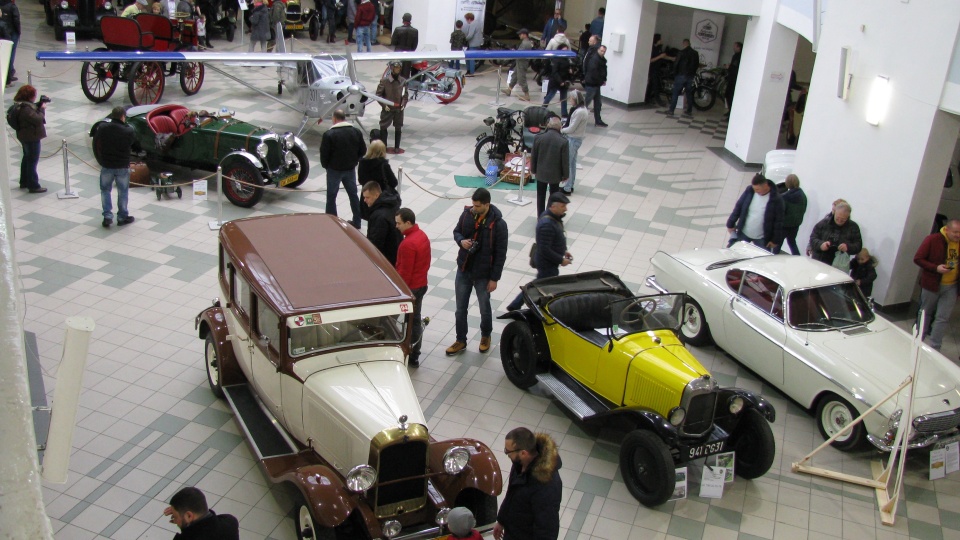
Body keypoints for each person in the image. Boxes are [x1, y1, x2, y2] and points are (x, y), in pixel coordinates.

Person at [447, 188, 508, 356]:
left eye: (477, 206)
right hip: (464, 269)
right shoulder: (467, 214)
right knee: (460, 309)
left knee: (484, 308)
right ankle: (461, 339)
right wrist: (461, 241)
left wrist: (494, 278)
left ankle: (485, 335)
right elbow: (456, 231)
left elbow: (500, 254)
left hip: (483, 274)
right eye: (472, 204)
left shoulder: (499, 224)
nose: (473, 208)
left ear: (487, 205)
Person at [506, 192, 571, 312]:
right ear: (553, 206)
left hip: (549, 261)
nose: (565, 209)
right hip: (546, 263)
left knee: (538, 284)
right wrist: (561, 260)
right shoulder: (546, 224)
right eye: (563, 206)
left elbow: (556, 238)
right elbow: (545, 249)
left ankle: (516, 305)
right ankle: (528, 307)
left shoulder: (554, 218)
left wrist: (564, 250)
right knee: (539, 285)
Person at [493, 427, 562, 540]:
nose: (506, 454)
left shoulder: (546, 485)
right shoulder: (518, 465)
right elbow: (511, 494)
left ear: (523, 453)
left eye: (507, 451)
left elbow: (547, 528)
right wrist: (501, 520)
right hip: (513, 532)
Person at [92, 106, 144, 227]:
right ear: (122, 116)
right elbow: (135, 144)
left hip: (107, 165)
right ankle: (122, 217)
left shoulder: (103, 128)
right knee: (122, 192)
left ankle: (107, 216)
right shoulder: (128, 131)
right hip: (122, 166)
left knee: (105, 190)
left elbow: (98, 139)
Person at [913, 219, 960, 351]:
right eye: (955, 232)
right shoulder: (933, 240)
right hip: (932, 284)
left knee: (942, 317)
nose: (958, 235)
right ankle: (917, 340)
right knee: (925, 313)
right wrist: (936, 268)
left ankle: (935, 347)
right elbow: (918, 258)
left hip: (951, 286)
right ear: (947, 230)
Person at [395, 207, 430, 367]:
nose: (397, 226)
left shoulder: (407, 244)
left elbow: (404, 273)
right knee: (415, 320)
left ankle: (404, 350)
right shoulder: (422, 236)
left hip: (410, 288)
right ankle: (415, 354)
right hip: (421, 283)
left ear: (408, 222)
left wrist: (399, 292)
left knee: (393, 319)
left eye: (399, 223)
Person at [320, 109, 366, 229]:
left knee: (331, 196)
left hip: (334, 170)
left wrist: (327, 166)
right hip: (350, 169)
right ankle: (357, 221)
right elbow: (363, 150)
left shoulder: (329, 134)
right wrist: (355, 161)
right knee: (353, 195)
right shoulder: (356, 131)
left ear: (334, 119)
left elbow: (324, 154)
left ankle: (332, 222)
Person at [725, 173, 784, 252]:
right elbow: (738, 207)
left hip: (762, 238)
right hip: (743, 233)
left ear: (765, 185)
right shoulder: (750, 191)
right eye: (754, 189)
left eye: (757, 189)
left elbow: (779, 221)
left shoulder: (777, 200)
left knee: (763, 259)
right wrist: (730, 223)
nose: (755, 191)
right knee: (732, 252)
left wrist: (775, 240)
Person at [163, 486, 239, 540]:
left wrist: (184, 526)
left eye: (175, 517)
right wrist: (181, 517)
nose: (175, 520)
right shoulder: (230, 523)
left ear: (189, 516)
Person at [11, 85, 48, 194]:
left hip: (24, 136)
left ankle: (24, 181)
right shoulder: (25, 109)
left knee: (27, 158)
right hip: (31, 137)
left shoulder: (20, 105)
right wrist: (42, 109)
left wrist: (38, 105)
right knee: (32, 160)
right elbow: (38, 119)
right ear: (29, 96)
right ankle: (33, 185)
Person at [531, 117, 569, 217]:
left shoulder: (538, 138)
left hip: (541, 172)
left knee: (540, 195)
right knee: (553, 196)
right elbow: (565, 161)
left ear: (548, 125)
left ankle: (540, 216)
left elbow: (534, 156)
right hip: (555, 174)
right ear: (560, 127)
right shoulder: (563, 141)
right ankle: (550, 215)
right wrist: (565, 175)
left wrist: (533, 170)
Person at [809, 200, 862, 265]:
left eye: (843, 220)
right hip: (820, 260)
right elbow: (813, 238)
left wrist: (848, 247)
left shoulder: (853, 227)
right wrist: (821, 245)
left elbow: (858, 245)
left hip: (839, 263)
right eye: (837, 218)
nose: (839, 221)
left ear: (848, 216)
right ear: (834, 213)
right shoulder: (823, 223)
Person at [362, 182, 403, 264]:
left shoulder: (379, 216)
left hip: (386, 258)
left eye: (367, 197)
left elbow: (376, 243)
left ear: (376, 195)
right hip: (395, 252)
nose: (365, 200)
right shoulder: (391, 205)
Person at [376, 61, 408, 154]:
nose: (397, 70)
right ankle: (384, 146)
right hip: (388, 109)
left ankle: (397, 147)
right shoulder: (384, 81)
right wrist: (384, 105)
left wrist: (403, 104)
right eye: (395, 68)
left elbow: (405, 95)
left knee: (398, 127)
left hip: (398, 109)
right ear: (391, 68)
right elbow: (378, 95)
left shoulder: (403, 81)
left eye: (398, 68)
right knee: (383, 126)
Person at [561, 90, 587, 194]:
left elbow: (572, 128)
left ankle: (567, 187)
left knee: (568, 163)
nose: (570, 101)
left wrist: (561, 130)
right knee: (572, 163)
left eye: (571, 99)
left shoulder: (579, 112)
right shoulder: (581, 109)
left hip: (573, 139)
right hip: (576, 138)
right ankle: (570, 185)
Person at [666, 39, 699, 116]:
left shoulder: (681, 52)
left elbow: (676, 64)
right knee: (689, 93)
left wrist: (674, 73)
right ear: (689, 44)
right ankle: (689, 110)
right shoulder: (695, 53)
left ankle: (671, 110)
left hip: (681, 75)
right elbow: (696, 65)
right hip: (690, 76)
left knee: (675, 92)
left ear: (683, 44)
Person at [542, 44, 572, 117]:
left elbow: (567, 69)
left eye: (566, 50)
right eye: (564, 50)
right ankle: (542, 109)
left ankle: (564, 113)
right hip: (556, 81)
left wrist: (570, 71)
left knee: (563, 98)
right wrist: (560, 81)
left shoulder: (567, 59)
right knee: (550, 96)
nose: (565, 52)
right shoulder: (556, 59)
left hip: (564, 81)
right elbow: (554, 72)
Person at [780, 173, 807, 255]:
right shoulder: (803, 196)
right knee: (792, 242)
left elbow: (781, 212)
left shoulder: (784, 197)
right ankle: (797, 259)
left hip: (784, 225)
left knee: (777, 244)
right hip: (795, 225)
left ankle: (773, 260)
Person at [502, 28, 532, 101]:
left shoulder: (525, 43)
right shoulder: (526, 42)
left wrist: (514, 52)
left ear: (524, 35)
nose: (519, 35)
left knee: (521, 78)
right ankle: (509, 90)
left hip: (522, 62)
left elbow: (520, 53)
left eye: (520, 34)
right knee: (514, 76)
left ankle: (526, 95)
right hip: (520, 62)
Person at [583, 43, 608, 127]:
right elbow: (594, 73)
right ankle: (578, 118)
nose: (602, 53)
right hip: (592, 84)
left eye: (604, 51)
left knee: (598, 104)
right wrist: (601, 80)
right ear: (598, 50)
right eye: (601, 51)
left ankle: (598, 120)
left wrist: (603, 80)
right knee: (585, 103)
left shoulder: (600, 59)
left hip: (596, 84)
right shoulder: (595, 59)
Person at [646, 34, 672, 106]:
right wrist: (659, 56)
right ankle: (659, 101)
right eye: (660, 39)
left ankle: (647, 99)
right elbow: (650, 60)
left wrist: (672, 58)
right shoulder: (652, 49)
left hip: (657, 69)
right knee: (656, 85)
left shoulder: (658, 48)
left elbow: (663, 56)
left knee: (651, 85)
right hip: (652, 69)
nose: (661, 41)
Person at [0, 0, 21, 86]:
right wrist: (18, 31)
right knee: (11, 53)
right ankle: (10, 72)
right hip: (12, 32)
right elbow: (16, 20)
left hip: (2, 32)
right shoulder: (12, 6)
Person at [391, 12, 418, 77]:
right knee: (406, 73)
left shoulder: (398, 29)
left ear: (403, 19)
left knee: (396, 71)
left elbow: (393, 42)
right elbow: (415, 45)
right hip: (408, 53)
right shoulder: (415, 31)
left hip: (398, 53)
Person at [725, 41, 742, 114]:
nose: (733, 47)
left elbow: (735, 67)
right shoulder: (735, 55)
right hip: (731, 78)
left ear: (738, 47)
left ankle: (731, 112)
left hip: (734, 79)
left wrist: (729, 67)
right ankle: (729, 111)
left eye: (735, 46)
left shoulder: (739, 56)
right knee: (727, 94)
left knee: (730, 95)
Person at [463, 12, 482, 77]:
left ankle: (471, 72)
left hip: (473, 44)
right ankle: (469, 71)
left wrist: (464, 39)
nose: (466, 21)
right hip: (477, 43)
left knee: (470, 58)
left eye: (466, 19)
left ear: (469, 19)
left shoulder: (472, 24)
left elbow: (470, 35)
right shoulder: (478, 23)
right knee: (469, 57)